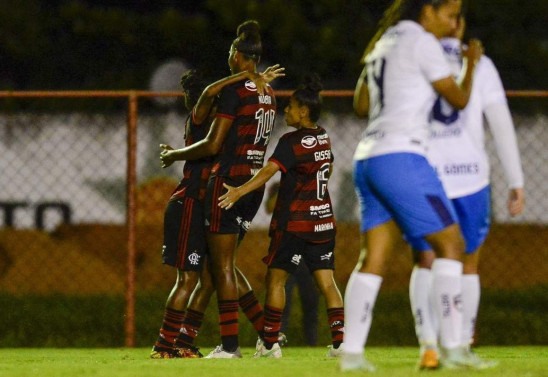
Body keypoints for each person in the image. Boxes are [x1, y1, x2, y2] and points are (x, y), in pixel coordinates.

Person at [345, 0, 483, 371]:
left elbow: (361, 105)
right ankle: (453, 348)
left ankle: (351, 354)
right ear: (427, 12)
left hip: (368, 157)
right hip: (402, 156)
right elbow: (459, 99)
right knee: (451, 244)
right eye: (450, 14)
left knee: (372, 258)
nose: (455, 22)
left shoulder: (384, 42)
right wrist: (470, 64)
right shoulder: (423, 42)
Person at [406, 16, 525, 369]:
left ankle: (432, 344)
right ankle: (458, 343)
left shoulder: (414, 57)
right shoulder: (480, 63)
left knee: (428, 259)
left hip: (429, 176)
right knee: (466, 263)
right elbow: (500, 123)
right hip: (469, 178)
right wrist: (515, 180)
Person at [160, 19, 277, 358]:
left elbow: (213, 145)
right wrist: (252, 77)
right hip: (247, 186)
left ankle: (227, 346)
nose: (228, 56)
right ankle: (267, 338)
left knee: (218, 269)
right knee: (217, 269)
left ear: (239, 55)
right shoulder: (266, 92)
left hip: (224, 186)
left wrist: (173, 154)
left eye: (230, 52)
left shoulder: (232, 94)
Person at [218, 74, 345, 359]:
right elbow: (329, 167)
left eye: (290, 107)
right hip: (323, 222)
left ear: (303, 111)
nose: (285, 111)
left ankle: (271, 343)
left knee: (275, 281)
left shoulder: (291, 142)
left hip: (295, 224)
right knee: (327, 282)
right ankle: (340, 343)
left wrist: (239, 191)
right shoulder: (323, 136)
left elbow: (267, 172)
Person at [266, 182, 320, 346]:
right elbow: (269, 207)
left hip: (307, 249)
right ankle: (277, 339)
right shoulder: (279, 185)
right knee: (284, 296)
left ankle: (312, 342)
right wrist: (286, 189)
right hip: (286, 245)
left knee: (311, 298)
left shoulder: (311, 183)